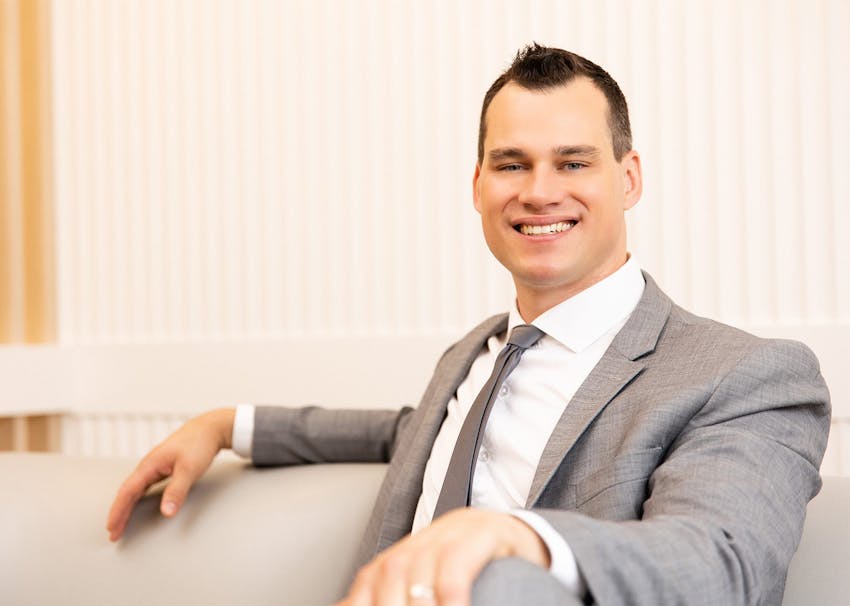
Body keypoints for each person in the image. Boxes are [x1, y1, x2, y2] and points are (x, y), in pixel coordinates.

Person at [106, 44, 830, 606]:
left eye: (572, 161)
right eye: (511, 164)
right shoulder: (475, 355)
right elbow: (405, 432)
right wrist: (227, 423)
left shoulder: (743, 375)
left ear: (629, 177)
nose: (539, 191)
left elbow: (721, 563)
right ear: (478, 186)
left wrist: (522, 537)